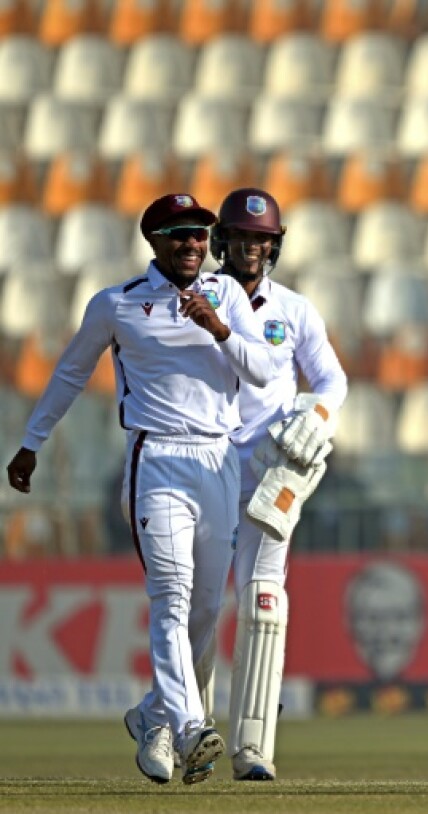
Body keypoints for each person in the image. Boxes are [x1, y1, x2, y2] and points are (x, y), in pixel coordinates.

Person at [5, 193, 283, 785]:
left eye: (201, 235)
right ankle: (190, 726)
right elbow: (72, 370)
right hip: (155, 456)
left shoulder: (228, 294)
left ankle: (152, 716)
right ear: (154, 240)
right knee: (173, 595)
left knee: (208, 607)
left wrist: (220, 328)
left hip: (218, 456)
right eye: (180, 234)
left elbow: (265, 370)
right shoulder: (118, 304)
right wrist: (33, 441)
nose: (193, 244)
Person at [204, 187, 347, 781]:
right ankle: (187, 729)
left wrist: (314, 420)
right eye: (242, 237)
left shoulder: (294, 309)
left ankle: (253, 749)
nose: (252, 248)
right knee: (198, 601)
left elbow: (332, 382)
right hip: (206, 464)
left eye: (262, 239)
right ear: (223, 242)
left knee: (263, 600)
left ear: (275, 245)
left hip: (271, 467)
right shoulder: (197, 299)